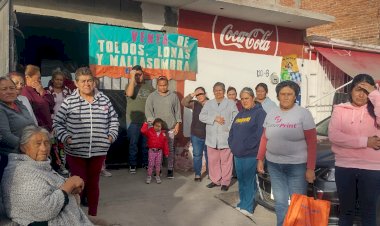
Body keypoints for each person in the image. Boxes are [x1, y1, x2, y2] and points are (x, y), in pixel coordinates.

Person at [53, 67, 119, 216]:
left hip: (99, 151)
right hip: (76, 151)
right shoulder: (69, 101)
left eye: (89, 80)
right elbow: (57, 123)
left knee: (93, 183)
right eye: (83, 81)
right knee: (78, 184)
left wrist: (110, 137)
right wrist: (67, 138)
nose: (87, 84)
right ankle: (76, 216)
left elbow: (113, 120)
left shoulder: (104, 99)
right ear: (76, 83)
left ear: (94, 82)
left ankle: (92, 215)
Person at [1, 125, 93, 225]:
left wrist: (72, 188)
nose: (44, 148)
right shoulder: (21, 171)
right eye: (38, 144)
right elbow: (44, 210)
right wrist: (69, 186)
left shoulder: (36, 164)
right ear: (23, 147)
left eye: (46, 143)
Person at [257, 80, 317, 226]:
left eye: (289, 94)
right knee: (280, 202)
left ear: (295, 96)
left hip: (296, 166)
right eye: (282, 94)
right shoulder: (271, 113)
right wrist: (260, 158)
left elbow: (312, 142)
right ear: (278, 96)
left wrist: (310, 168)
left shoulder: (303, 114)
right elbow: (264, 137)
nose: (285, 97)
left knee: (297, 202)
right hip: (274, 165)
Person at [328, 74, 380, 226]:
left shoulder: (375, 111)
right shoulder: (340, 109)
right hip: (345, 167)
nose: (361, 94)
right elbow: (335, 136)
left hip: (372, 168)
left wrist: (375, 93)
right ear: (351, 91)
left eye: (366, 91)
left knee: (369, 212)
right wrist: (366, 142)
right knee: (346, 211)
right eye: (358, 89)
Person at [228, 87, 266, 217]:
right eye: (242, 99)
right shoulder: (240, 114)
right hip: (238, 154)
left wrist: (246, 146)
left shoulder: (260, 113)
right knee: (242, 180)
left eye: (247, 98)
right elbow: (232, 131)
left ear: (253, 98)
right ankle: (242, 203)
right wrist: (232, 145)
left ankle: (248, 207)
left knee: (248, 181)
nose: (244, 101)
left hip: (250, 154)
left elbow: (260, 134)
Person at [199, 82, 239, 191]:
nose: (218, 92)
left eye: (220, 90)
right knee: (213, 161)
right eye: (216, 90)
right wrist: (214, 118)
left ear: (224, 91)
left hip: (225, 137)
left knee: (226, 161)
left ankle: (225, 182)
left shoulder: (230, 103)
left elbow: (236, 118)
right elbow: (201, 116)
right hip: (212, 138)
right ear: (213, 91)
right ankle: (215, 180)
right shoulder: (208, 103)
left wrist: (229, 128)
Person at [145, 76, 182, 179]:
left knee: (169, 149)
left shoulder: (173, 96)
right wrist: (153, 125)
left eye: (164, 85)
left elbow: (177, 111)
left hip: (170, 128)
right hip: (157, 130)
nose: (162, 87)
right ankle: (158, 169)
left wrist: (178, 123)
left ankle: (170, 169)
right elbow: (148, 111)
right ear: (157, 85)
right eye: (160, 85)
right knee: (157, 149)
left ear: (167, 85)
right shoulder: (152, 96)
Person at [125, 65, 155, 174]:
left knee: (145, 144)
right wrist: (132, 77)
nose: (138, 77)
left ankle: (145, 163)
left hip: (146, 121)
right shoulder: (129, 85)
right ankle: (132, 164)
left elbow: (155, 102)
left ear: (143, 74)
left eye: (140, 74)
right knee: (133, 144)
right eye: (135, 75)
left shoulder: (150, 88)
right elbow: (129, 94)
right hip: (133, 121)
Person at [45, 69, 72, 176]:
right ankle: (53, 167)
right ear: (52, 80)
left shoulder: (68, 91)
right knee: (53, 146)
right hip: (51, 122)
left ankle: (63, 166)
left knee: (63, 146)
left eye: (61, 80)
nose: (59, 81)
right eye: (57, 79)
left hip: (65, 123)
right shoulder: (47, 91)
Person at [0, 77, 34, 154]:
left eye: (12, 88)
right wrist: (29, 146)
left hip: (30, 153)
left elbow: (32, 125)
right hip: (13, 157)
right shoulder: (1, 109)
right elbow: (5, 137)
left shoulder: (20, 105)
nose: (9, 92)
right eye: (4, 89)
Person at [182, 87, 208, 182]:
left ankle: (211, 173)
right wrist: (192, 94)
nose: (199, 96)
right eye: (198, 95)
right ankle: (198, 174)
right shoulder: (194, 104)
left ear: (205, 94)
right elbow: (184, 103)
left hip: (209, 134)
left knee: (209, 155)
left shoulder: (211, 103)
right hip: (196, 134)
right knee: (197, 155)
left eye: (201, 94)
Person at [22, 64, 55, 131]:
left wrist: (42, 91)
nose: (39, 80)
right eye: (38, 78)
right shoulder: (25, 92)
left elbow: (52, 104)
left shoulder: (39, 89)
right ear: (27, 77)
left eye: (40, 78)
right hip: (37, 130)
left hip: (48, 128)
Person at [140, 118, 169, 184]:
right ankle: (149, 176)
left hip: (159, 152)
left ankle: (157, 176)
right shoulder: (150, 131)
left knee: (158, 164)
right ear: (153, 125)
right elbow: (143, 131)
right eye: (156, 125)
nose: (157, 127)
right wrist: (145, 123)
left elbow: (165, 144)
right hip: (151, 151)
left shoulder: (163, 134)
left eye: (159, 126)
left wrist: (166, 152)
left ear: (162, 127)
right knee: (151, 164)